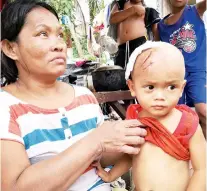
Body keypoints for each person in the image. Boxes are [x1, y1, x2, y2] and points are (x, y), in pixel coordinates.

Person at [0, 1, 147, 190]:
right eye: (42, 34)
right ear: (11, 48)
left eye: (59, 35)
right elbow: (14, 187)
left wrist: (132, 136)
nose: (59, 45)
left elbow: (100, 156)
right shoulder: (6, 107)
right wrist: (95, 141)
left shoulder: (84, 97)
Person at [95, 41, 206, 191]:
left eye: (171, 87)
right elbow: (130, 155)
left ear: (181, 88)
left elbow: (202, 169)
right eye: (150, 87)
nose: (160, 96)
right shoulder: (135, 120)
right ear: (133, 87)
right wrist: (111, 175)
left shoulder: (187, 123)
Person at [157, 0, 206, 137]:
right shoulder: (161, 26)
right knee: (176, 116)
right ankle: (180, 151)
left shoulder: (195, 10)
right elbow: (158, 52)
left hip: (196, 72)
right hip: (175, 75)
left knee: (203, 110)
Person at [109, 0, 160, 69]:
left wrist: (155, 53)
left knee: (138, 71)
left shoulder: (148, 11)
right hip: (121, 48)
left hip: (139, 45)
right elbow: (112, 19)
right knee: (120, 73)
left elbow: (156, 35)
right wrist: (133, 9)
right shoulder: (120, 3)